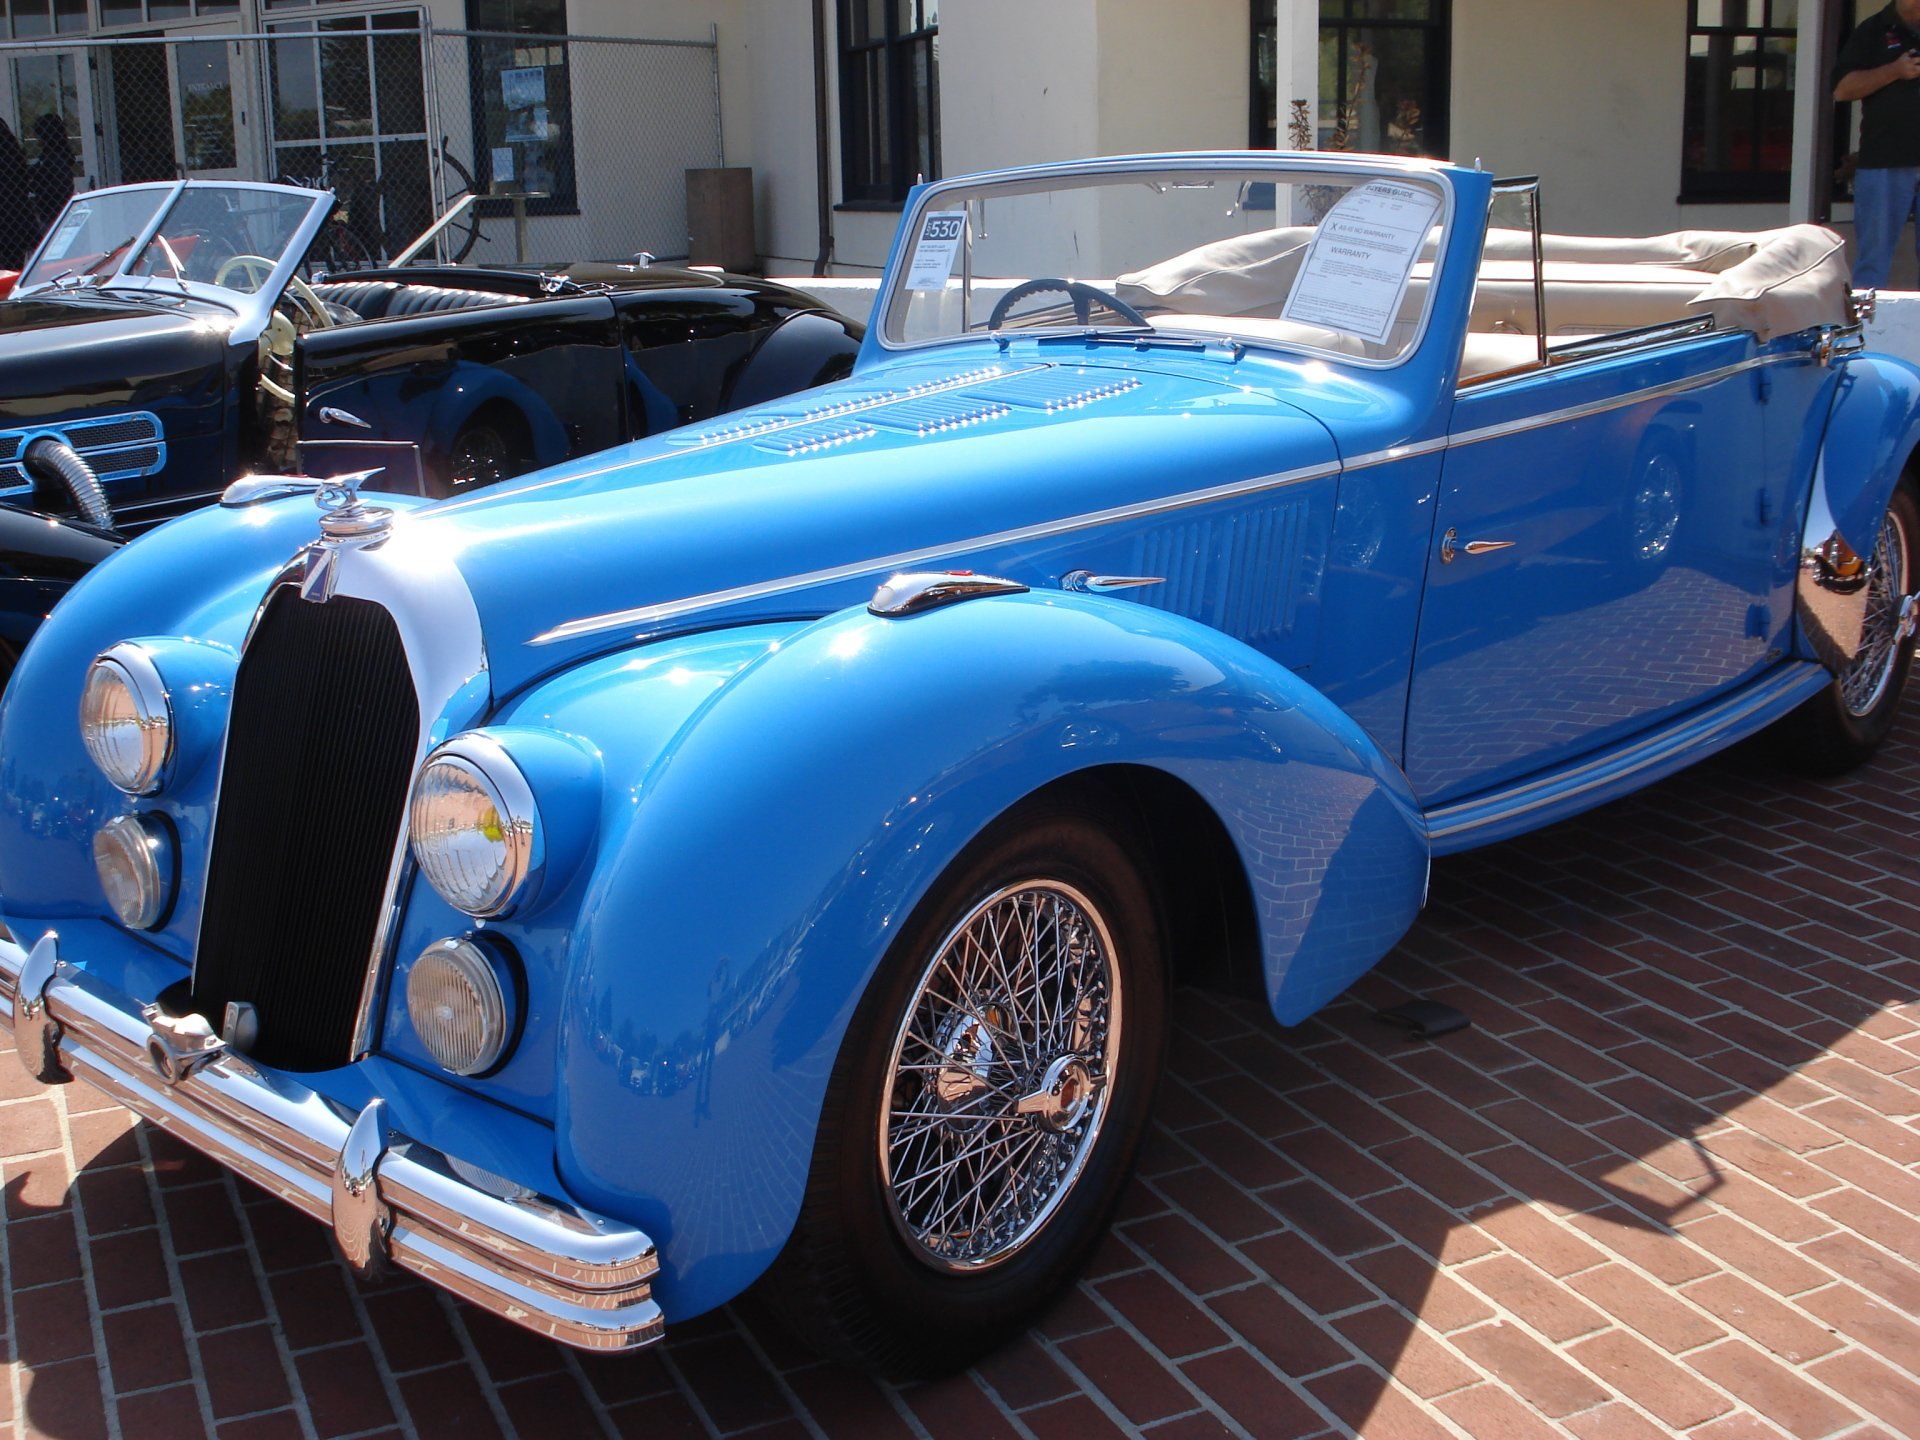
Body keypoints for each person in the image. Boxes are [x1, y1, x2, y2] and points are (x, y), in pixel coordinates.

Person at [1835, 1, 1920, 289]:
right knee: (1873, 259)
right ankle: (1867, 332)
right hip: (1885, 160)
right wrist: (1895, 70)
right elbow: (1843, 88)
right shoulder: (1873, 30)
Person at [0, 120, 37, 271]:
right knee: (13, 266)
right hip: (16, 219)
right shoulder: (14, 155)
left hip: (9, 219)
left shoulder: (9, 159)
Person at [27, 113, 72, 233]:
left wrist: (35, 186)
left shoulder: (55, 158)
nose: (37, 139)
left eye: (39, 135)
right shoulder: (48, 156)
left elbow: (58, 187)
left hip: (54, 213)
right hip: (50, 212)